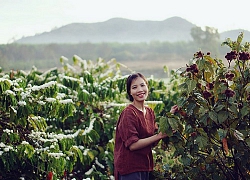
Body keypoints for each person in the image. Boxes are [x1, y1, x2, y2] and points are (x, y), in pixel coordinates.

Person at [114, 72, 168, 180]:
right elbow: (132, 145)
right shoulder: (128, 113)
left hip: (144, 166)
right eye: (134, 87)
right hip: (129, 168)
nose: (140, 90)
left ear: (147, 87)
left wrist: (169, 119)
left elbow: (152, 142)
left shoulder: (149, 112)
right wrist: (159, 136)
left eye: (142, 85)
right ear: (130, 92)